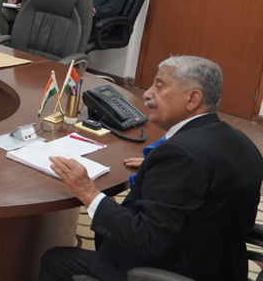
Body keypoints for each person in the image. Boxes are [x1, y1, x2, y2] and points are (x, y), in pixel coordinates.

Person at [40, 56, 263, 281]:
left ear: (193, 99)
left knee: (56, 261)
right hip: (222, 266)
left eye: (159, 86)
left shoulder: (182, 155)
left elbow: (147, 240)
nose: (146, 95)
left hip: (174, 270)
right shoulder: (240, 141)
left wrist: (89, 193)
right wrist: (159, 169)